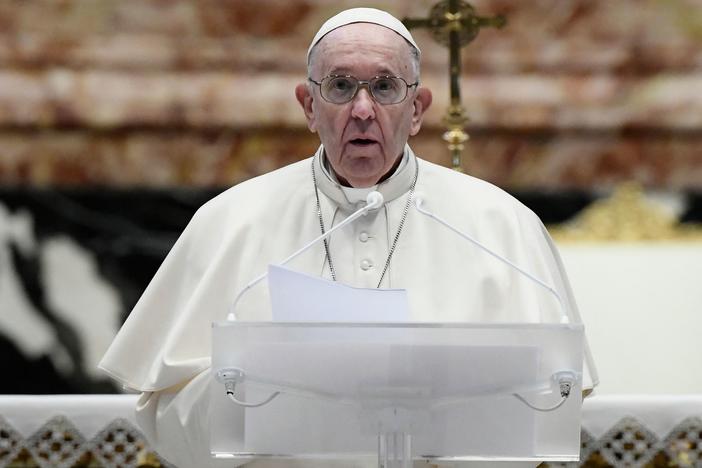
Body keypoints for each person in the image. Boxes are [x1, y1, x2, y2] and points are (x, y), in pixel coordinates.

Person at [100, 7, 598, 468]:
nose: (362, 109)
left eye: (385, 87)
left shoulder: (501, 224)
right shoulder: (230, 221)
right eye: (340, 86)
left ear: (419, 108)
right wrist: (263, 392)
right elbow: (164, 416)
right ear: (308, 105)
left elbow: (556, 406)